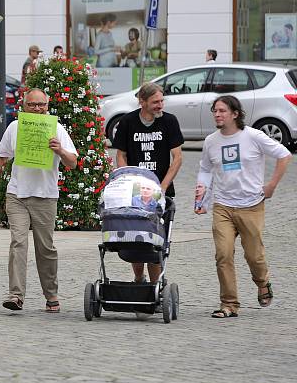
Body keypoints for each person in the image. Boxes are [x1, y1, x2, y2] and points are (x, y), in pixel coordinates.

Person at [0, 88, 78, 313]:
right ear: (23, 106)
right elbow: (0, 155)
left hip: (45, 196)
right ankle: (16, 295)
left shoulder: (56, 129)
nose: (36, 109)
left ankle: (51, 295)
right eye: (32, 105)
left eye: (40, 105)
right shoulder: (15, 127)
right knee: (18, 242)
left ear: (47, 106)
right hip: (17, 195)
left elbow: (72, 162)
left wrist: (60, 150)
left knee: (45, 248)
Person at [195, 95, 291, 318]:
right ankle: (229, 304)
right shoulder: (211, 141)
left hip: (251, 205)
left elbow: (284, 155)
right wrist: (201, 200)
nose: (217, 115)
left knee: (254, 256)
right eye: (215, 111)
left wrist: (272, 185)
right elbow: (205, 170)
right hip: (223, 206)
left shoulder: (254, 136)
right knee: (223, 254)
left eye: (222, 111)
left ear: (235, 114)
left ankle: (262, 282)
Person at [112, 82, 184, 284]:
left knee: (156, 241)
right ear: (142, 102)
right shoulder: (128, 122)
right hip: (135, 191)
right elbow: (121, 155)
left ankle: (155, 286)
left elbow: (177, 158)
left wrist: (162, 187)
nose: (160, 105)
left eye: (162, 101)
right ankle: (138, 279)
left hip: (162, 190)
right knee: (136, 239)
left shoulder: (169, 122)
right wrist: (125, 179)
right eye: (155, 102)